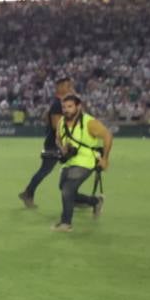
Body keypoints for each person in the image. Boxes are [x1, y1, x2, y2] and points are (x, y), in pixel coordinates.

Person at [53, 93, 112, 232]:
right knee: (65, 190)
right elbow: (58, 139)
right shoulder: (61, 122)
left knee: (68, 189)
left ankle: (65, 224)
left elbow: (107, 135)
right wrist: (63, 148)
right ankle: (96, 202)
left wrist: (105, 158)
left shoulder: (89, 122)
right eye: (64, 107)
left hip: (87, 160)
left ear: (78, 107)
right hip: (70, 161)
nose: (66, 109)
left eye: (70, 106)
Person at [18, 76, 73, 208]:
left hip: (57, 142)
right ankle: (28, 193)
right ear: (59, 87)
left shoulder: (58, 103)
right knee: (45, 170)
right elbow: (55, 126)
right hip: (55, 143)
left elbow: (45, 118)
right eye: (67, 85)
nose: (70, 88)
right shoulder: (57, 104)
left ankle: (73, 197)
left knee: (72, 168)